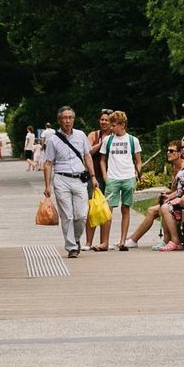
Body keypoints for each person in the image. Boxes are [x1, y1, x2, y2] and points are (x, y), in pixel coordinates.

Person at [41, 107, 94, 257]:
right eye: (65, 118)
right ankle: (71, 247)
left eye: (70, 117)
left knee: (81, 215)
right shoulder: (53, 140)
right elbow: (48, 163)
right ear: (59, 120)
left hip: (79, 178)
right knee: (67, 215)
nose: (68, 121)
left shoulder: (81, 135)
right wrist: (47, 185)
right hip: (61, 178)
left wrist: (93, 176)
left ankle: (76, 239)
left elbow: (87, 156)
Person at [99, 110, 141, 250]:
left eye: (114, 125)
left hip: (128, 177)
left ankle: (123, 241)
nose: (111, 128)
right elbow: (103, 159)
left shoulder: (132, 140)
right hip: (113, 178)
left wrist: (136, 174)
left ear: (122, 125)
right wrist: (105, 176)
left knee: (126, 209)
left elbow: (138, 160)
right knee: (107, 210)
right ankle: (105, 242)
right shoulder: (108, 140)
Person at [85, 110, 112, 252]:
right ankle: (88, 242)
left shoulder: (116, 136)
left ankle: (104, 242)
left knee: (106, 209)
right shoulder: (93, 135)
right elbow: (87, 152)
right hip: (94, 176)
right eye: (102, 119)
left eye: (107, 120)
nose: (104, 122)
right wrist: (101, 144)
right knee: (93, 207)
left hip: (111, 176)